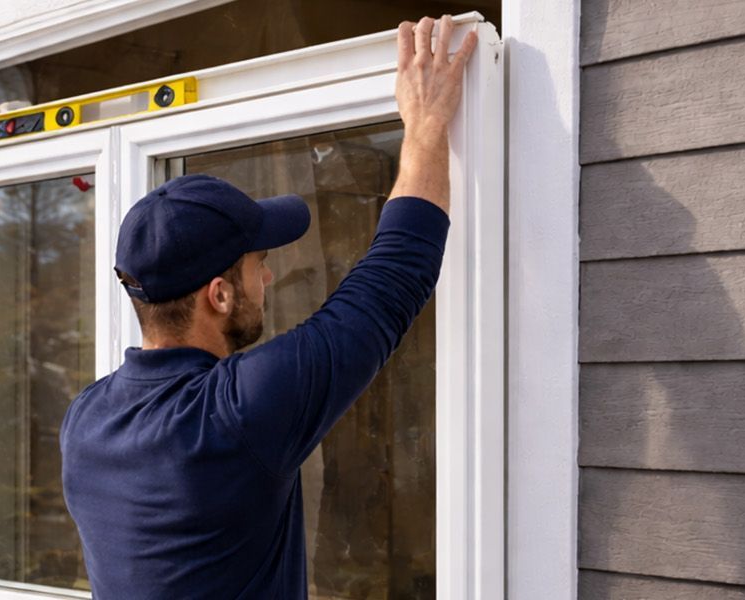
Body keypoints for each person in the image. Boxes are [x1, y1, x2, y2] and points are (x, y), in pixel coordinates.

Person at [59, 15, 477, 599]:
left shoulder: (85, 420)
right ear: (219, 294)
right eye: (258, 264)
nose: (269, 276)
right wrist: (427, 123)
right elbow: (394, 276)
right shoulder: (234, 414)